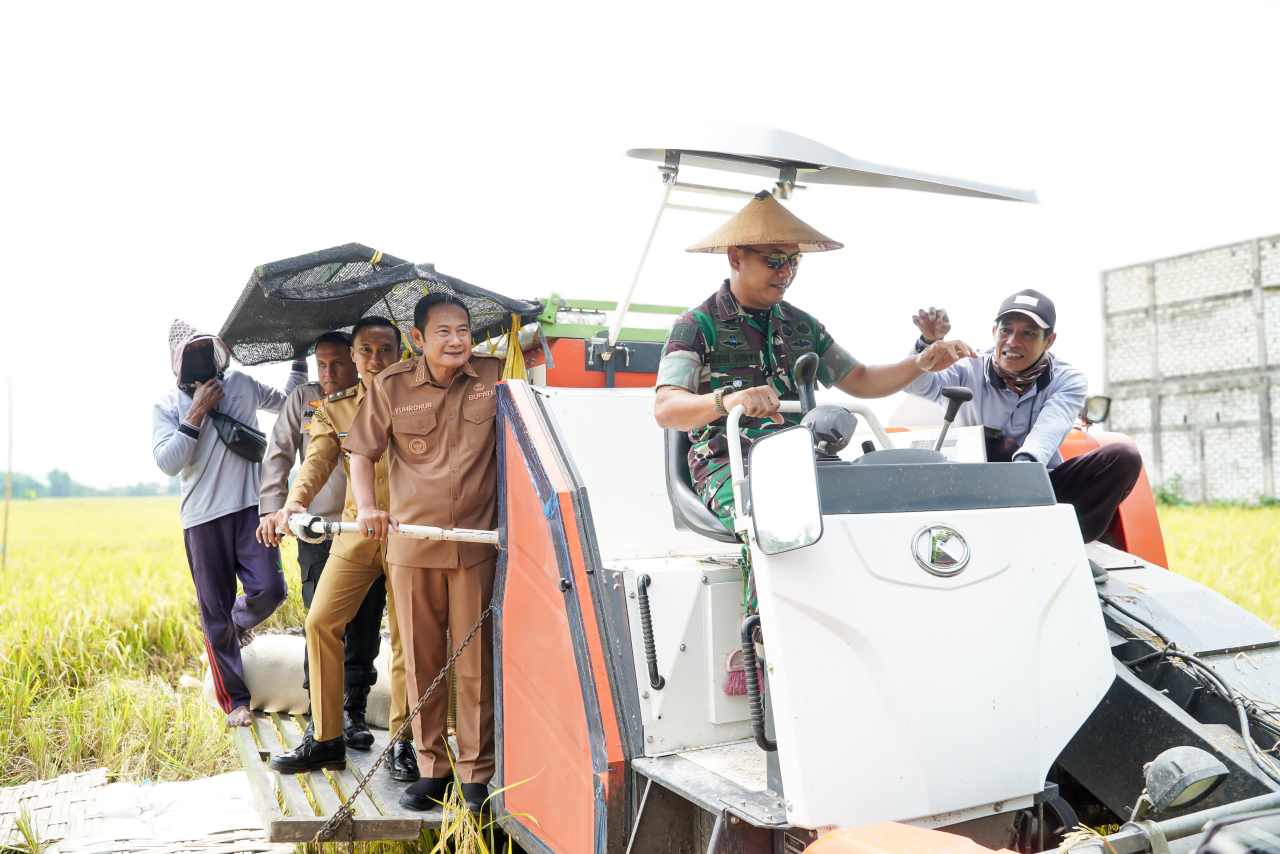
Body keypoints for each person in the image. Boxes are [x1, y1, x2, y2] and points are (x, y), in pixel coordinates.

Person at [653, 191, 973, 610]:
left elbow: (860, 380)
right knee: (774, 516)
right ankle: (761, 643)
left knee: (870, 508)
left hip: (801, 458)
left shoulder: (801, 325)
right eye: (774, 260)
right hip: (728, 462)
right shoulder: (697, 325)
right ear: (736, 257)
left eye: (794, 261)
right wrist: (728, 400)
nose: (786, 271)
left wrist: (923, 362)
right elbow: (666, 408)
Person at [344, 294, 502, 813]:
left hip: (477, 545)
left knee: (475, 663)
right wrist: (368, 507)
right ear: (418, 338)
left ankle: (478, 772)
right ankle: (433, 768)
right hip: (412, 548)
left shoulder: (495, 375)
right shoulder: (391, 388)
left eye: (464, 330)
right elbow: (362, 454)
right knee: (424, 662)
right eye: (443, 332)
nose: (457, 341)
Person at [267, 317, 418, 782]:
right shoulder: (333, 408)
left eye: (386, 350)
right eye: (366, 350)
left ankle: (402, 743)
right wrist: (293, 503)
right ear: (354, 357)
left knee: (407, 638)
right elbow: (316, 461)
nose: (376, 359)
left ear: (401, 354)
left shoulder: (419, 398)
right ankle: (327, 739)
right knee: (320, 621)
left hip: (411, 534)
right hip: (357, 534)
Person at [152, 320, 307, 728]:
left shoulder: (240, 382)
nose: (201, 358)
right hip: (202, 520)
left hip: (251, 511)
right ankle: (234, 700)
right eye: (192, 352)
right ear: (178, 363)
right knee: (213, 609)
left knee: (271, 589)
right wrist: (198, 410)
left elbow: (290, 401)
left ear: (218, 351)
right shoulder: (167, 404)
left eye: (206, 348)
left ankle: (235, 624)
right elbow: (168, 463)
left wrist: (299, 355)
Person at [907, 290, 1143, 551]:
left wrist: (1022, 472)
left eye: (1028, 333)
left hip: (1041, 488)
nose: (1013, 341)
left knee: (1123, 456)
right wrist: (927, 343)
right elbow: (917, 386)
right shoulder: (966, 366)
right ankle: (989, 540)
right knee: (998, 446)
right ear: (994, 331)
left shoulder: (1068, 379)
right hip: (974, 491)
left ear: (1049, 341)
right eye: (1006, 330)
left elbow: (1049, 430)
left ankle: (1064, 546)